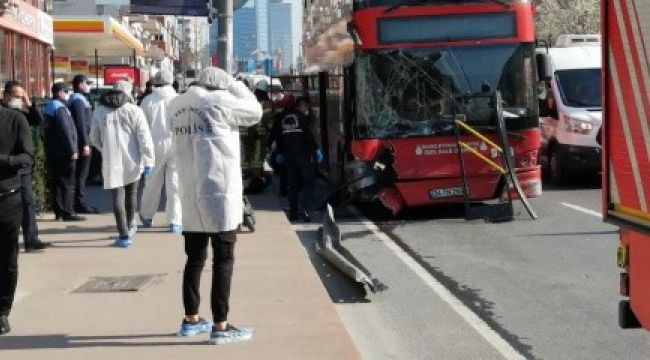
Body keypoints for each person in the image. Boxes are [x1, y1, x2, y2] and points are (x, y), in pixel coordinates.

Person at [167, 67, 261, 344]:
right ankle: (220, 325)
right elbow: (254, 112)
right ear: (219, 86)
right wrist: (236, 85)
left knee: (194, 258)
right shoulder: (219, 101)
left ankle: (191, 319)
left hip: (189, 191)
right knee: (224, 260)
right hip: (218, 192)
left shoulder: (177, 104)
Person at [90, 80, 154, 248]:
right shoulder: (134, 110)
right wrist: (148, 160)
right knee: (131, 194)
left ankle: (123, 235)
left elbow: (94, 137)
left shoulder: (100, 110)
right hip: (133, 159)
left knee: (117, 196)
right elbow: (144, 138)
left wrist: (104, 149)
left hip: (111, 160)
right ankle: (131, 223)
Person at [1, 81, 50, 251]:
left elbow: (38, 120)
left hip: (22, 167)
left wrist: (29, 103)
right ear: (5, 96)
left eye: (21, 97)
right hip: (7, 171)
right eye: (16, 96)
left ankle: (31, 239)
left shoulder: (21, 113)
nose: (18, 100)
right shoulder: (4, 115)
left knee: (28, 202)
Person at [0, 106, 33, 335]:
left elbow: (27, 156)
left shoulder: (14, 119)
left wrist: (5, 159)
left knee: (7, 257)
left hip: (7, 199)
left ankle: (2, 311)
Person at [139, 70, 182, 233]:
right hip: (177, 144)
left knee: (151, 184)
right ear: (171, 82)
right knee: (175, 184)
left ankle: (147, 216)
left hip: (154, 145)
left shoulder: (148, 101)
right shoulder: (179, 100)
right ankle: (175, 221)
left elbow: (142, 128)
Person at [276, 96, 322, 222]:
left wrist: (280, 152)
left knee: (293, 185)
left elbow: (279, 136)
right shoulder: (303, 118)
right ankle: (304, 210)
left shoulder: (283, 118)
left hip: (289, 157)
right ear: (301, 106)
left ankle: (293, 212)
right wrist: (316, 149)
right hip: (304, 157)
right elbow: (309, 136)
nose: (306, 108)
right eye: (305, 106)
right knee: (308, 182)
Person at [43, 83, 85, 222]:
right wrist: (73, 149)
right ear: (60, 92)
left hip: (54, 151)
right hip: (64, 152)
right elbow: (66, 130)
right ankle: (68, 211)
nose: (67, 94)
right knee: (67, 182)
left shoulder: (50, 106)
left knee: (57, 182)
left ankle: (59, 211)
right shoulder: (60, 108)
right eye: (65, 92)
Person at [68, 74, 98, 215]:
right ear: (80, 84)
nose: (89, 86)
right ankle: (79, 203)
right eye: (87, 83)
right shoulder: (78, 101)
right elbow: (80, 124)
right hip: (82, 142)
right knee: (81, 174)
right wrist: (85, 143)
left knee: (81, 174)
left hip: (82, 141)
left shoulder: (79, 99)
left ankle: (79, 202)